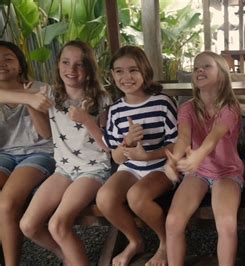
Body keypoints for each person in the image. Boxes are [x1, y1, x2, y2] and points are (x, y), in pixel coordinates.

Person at [19, 40, 111, 265]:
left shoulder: (101, 98)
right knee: (28, 225)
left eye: (80, 64)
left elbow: (108, 145)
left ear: (89, 69)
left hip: (94, 168)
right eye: (66, 62)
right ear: (58, 65)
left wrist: (87, 119)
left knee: (57, 224)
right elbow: (46, 134)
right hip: (63, 168)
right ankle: (66, 254)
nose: (71, 69)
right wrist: (30, 104)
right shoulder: (49, 94)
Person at [96, 45, 178, 266]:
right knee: (104, 198)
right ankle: (134, 241)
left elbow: (177, 145)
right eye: (119, 71)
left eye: (133, 70)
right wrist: (127, 144)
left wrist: (147, 155)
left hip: (161, 167)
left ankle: (165, 243)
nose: (127, 77)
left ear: (145, 71)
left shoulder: (162, 103)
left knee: (137, 197)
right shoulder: (115, 111)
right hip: (130, 168)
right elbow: (116, 158)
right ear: (112, 75)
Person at [164, 51, 243, 266]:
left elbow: (214, 137)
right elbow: (184, 138)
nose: (199, 70)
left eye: (206, 66)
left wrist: (197, 155)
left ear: (222, 75)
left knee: (226, 224)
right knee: (172, 222)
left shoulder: (230, 108)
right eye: (196, 67)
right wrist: (174, 160)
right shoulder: (187, 108)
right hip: (198, 172)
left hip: (227, 173)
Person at [0, 41, 55, 266]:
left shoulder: (41, 88)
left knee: (6, 203)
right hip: (4, 154)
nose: (1, 64)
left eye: (8, 58)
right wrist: (26, 98)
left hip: (38, 153)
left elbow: (46, 134)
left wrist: (32, 101)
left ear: (20, 65)